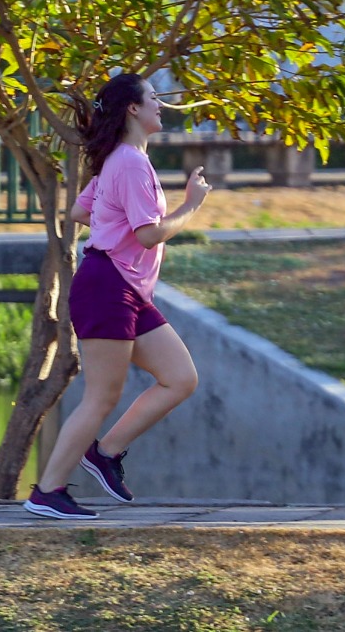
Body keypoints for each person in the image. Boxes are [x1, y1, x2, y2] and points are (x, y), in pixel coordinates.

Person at [24, 73, 211, 519]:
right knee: (101, 397)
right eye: (153, 98)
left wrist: (112, 225)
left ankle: (105, 453)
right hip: (108, 286)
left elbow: (80, 211)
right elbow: (148, 235)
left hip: (125, 288)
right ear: (133, 108)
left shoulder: (120, 160)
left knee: (180, 377)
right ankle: (47, 492)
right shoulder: (128, 163)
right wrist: (191, 205)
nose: (160, 105)